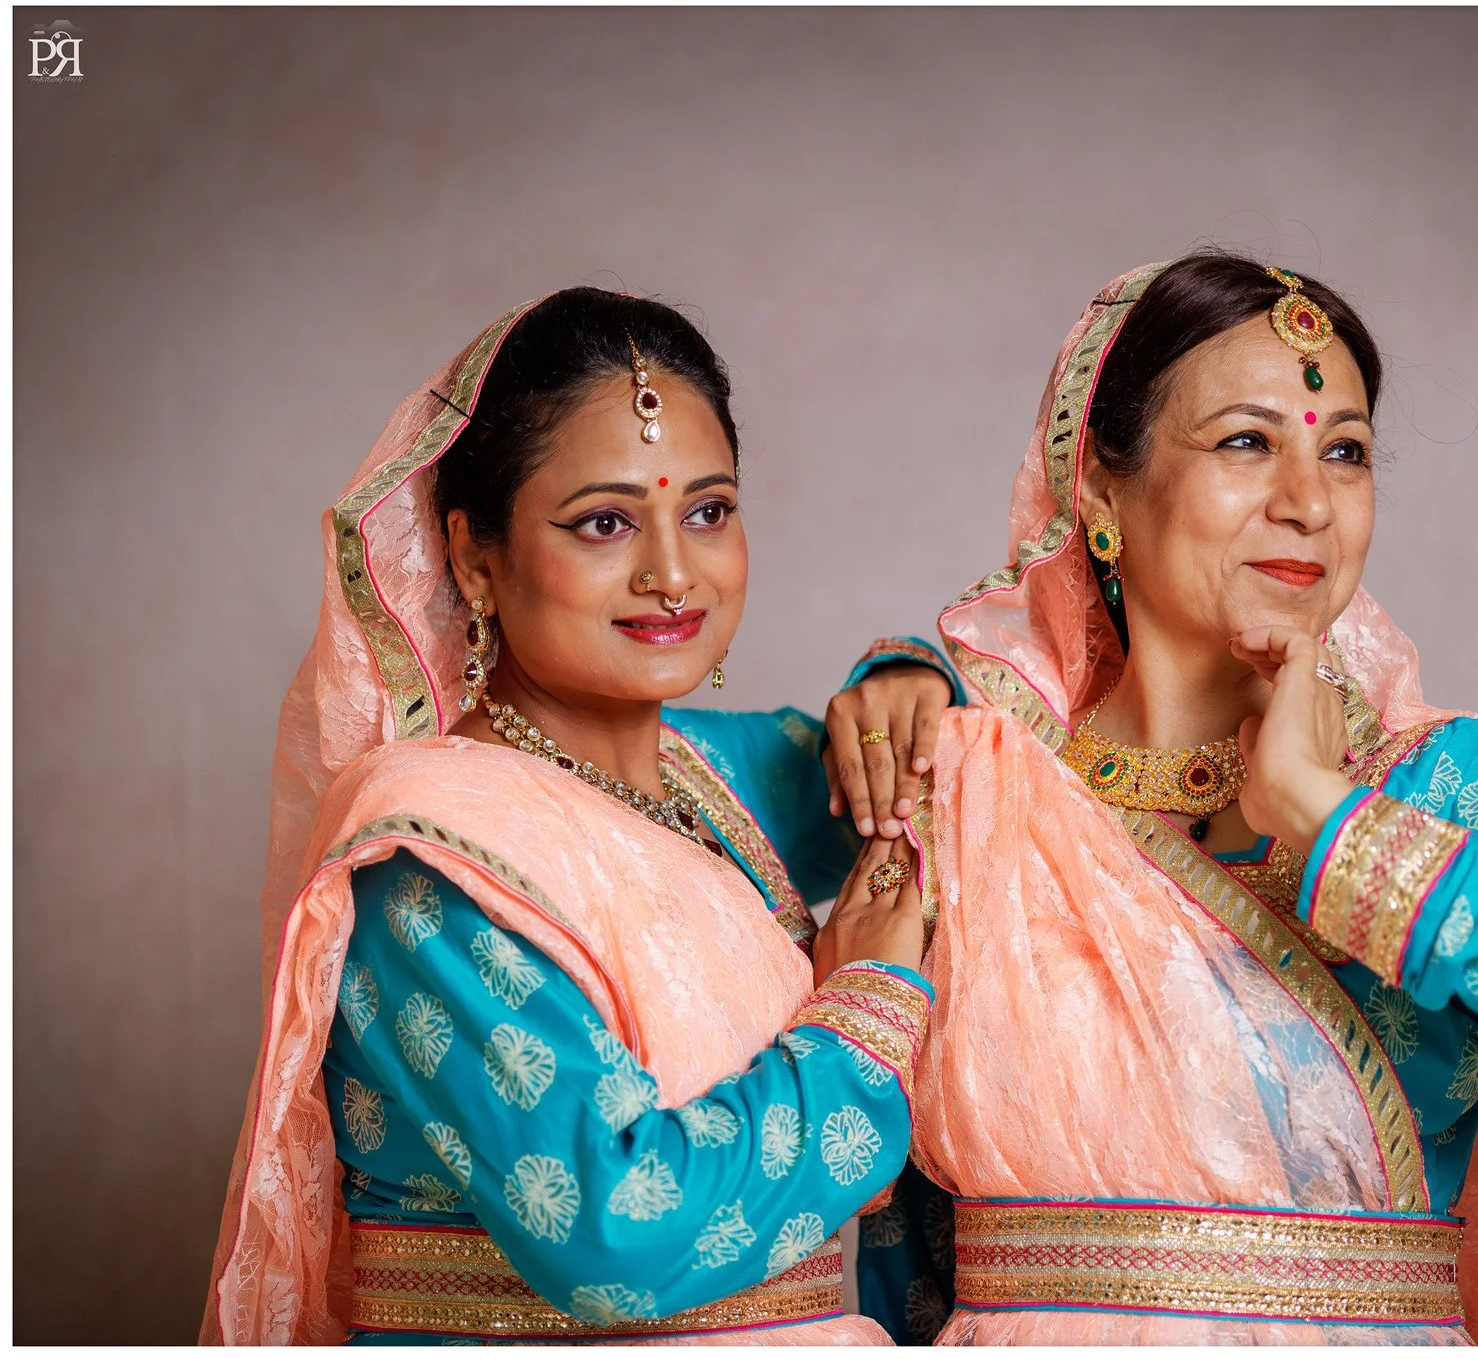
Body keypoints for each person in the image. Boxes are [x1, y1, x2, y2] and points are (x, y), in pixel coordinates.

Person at [872, 254, 1478, 1344]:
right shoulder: (969, 783)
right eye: (1245, 441)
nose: (1307, 502)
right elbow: (884, 1229)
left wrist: (1330, 821)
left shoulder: (1430, 785)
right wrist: (897, 674)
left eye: (1345, 453)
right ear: (1095, 488)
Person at [199, 287, 961, 1344]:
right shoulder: (431, 856)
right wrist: (869, 1011)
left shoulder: (725, 776)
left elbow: (991, 765)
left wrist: (907, 680)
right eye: (604, 522)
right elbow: (611, 1232)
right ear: (474, 558)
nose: (672, 573)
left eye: (708, 510)